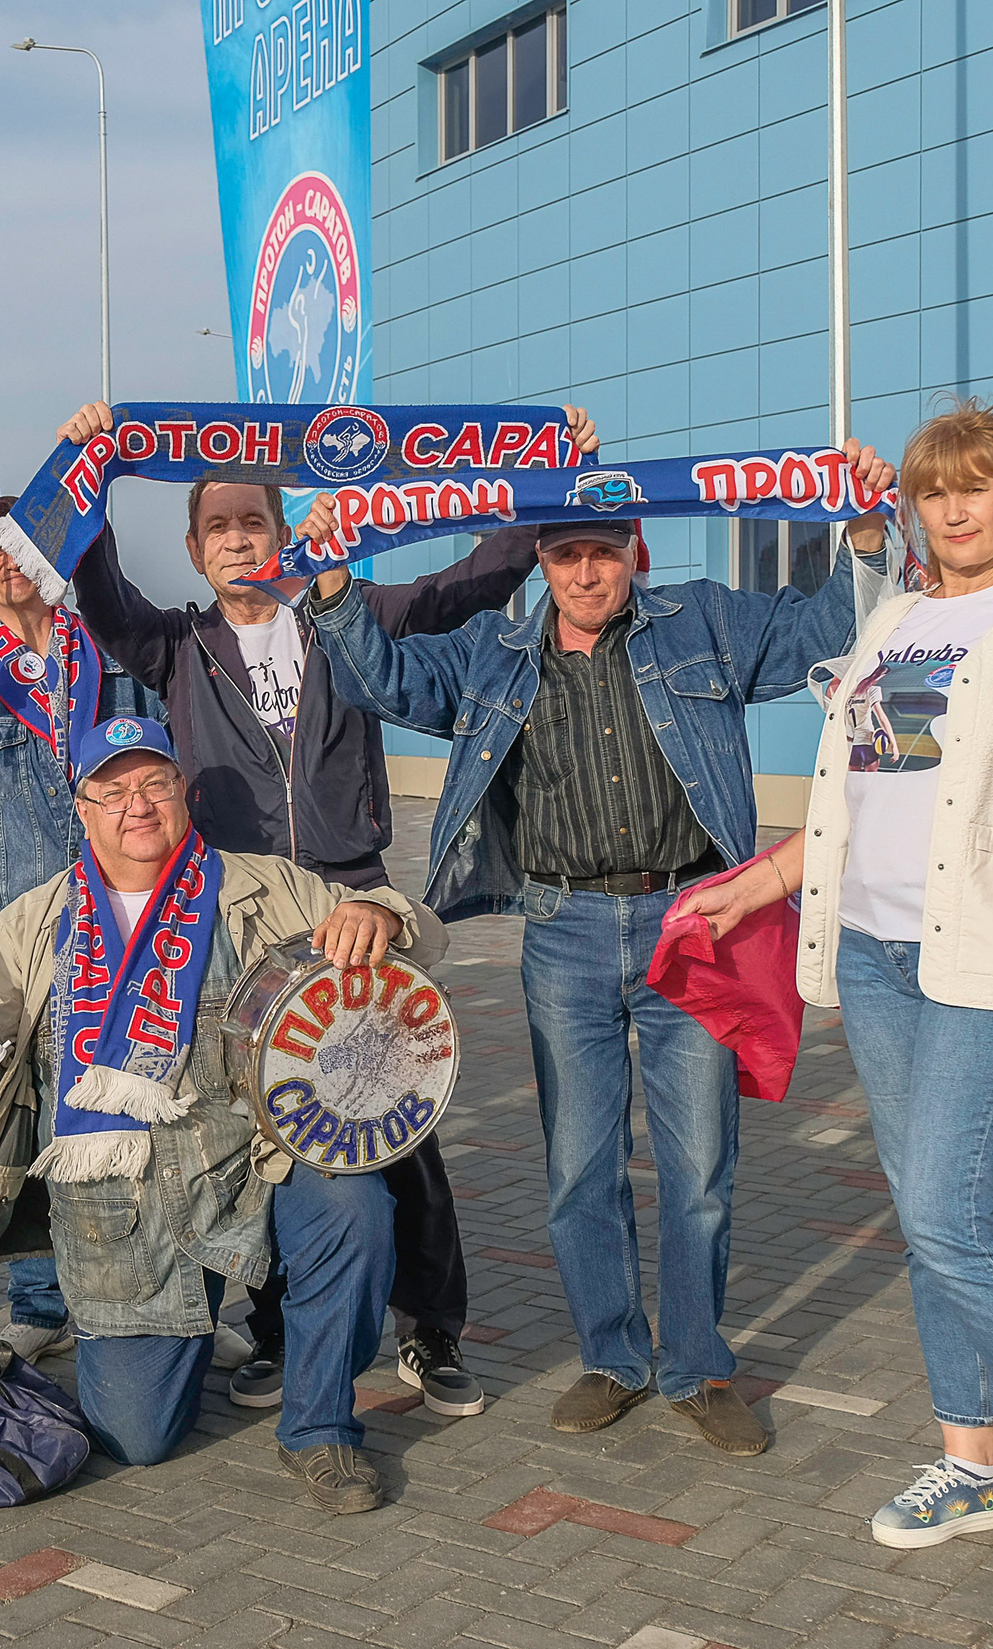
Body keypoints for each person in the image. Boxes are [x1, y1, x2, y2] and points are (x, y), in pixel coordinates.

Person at [675, 400, 993, 1611]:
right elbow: (859, 795)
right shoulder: (895, 622)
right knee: (922, 1217)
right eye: (932, 491)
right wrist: (760, 883)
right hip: (876, 956)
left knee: (953, 1217)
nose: (953, 509)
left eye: (977, 486)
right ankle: (968, 1459)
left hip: (987, 958)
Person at [301, 440, 898, 1457]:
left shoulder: (702, 621)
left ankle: (700, 1368)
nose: (587, 571)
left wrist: (868, 529)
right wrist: (330, 586)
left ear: (635, 550)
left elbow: (830, 621)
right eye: (567, 551)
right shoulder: (492, 653)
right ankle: (611, 1358)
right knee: (580, 1167)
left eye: (605, 551)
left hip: (690, 927)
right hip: (561, 934)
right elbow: (384, 678)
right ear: (540, 556)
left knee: (699, 1166)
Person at [53, 401, 600, 1419]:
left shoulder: (348, 617)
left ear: (281, 530)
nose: (235, 541)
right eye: (216, 528)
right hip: (240, 919)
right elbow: (97, 590)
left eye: (251, 523)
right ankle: (274, 1335)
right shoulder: (173, 649)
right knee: (261, 1129)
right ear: (195, 546)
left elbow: (470, 581)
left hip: (355, 905)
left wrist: (555, 476)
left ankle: (430, 1333)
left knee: (397, 1121)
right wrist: (93, 467)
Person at [0, 716, 444, 1510]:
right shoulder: (32, 923)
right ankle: (184, 1333)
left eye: (155, 783)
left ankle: (322, 1427)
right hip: (119, 1213)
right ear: (81, 809)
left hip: (258, 1165)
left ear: (182, 794)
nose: (138, 805)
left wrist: (385, 916)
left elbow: (413, 942)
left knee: (354, 1208)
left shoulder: (265, 887)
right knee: (139, 1438)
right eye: (114, 790)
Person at [0, 496, 156, 1362]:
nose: (9, 565)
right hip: (14, 925)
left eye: (25, 549)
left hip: (124, 909)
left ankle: (153, 1288)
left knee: (140, 1091)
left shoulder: (110, 652)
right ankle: (41, 1302)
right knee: (26, 1110)